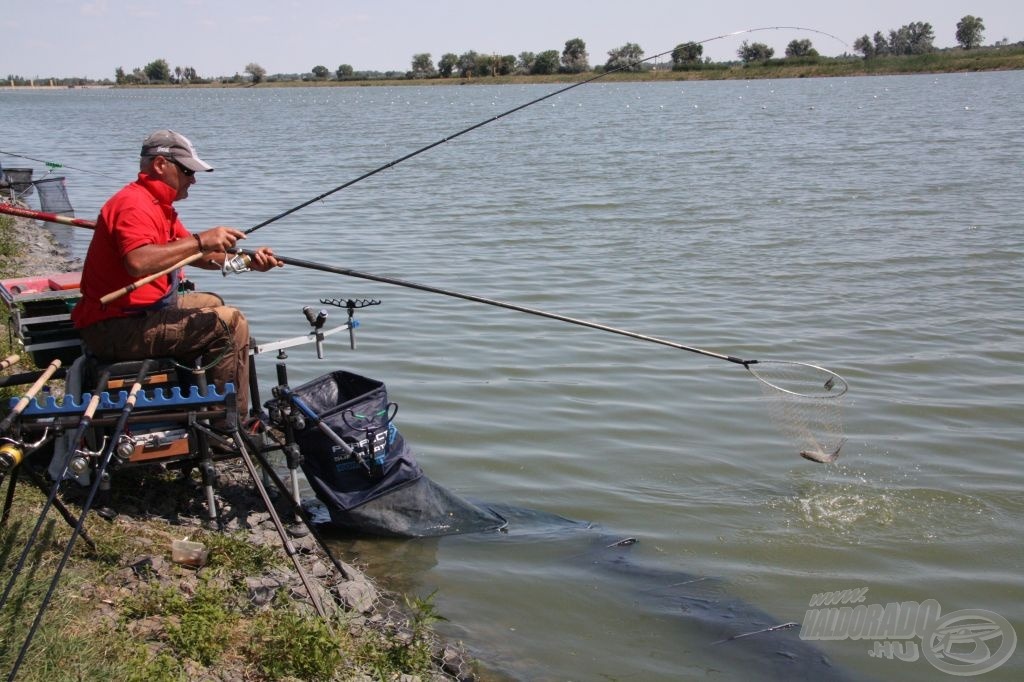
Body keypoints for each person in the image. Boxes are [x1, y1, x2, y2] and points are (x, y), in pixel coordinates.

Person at [71, 129, 282, 419]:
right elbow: (138, 261)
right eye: (187, 171)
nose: (193, 180)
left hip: (138, 314)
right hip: (115, 327)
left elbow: (200, 256)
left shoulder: (157, 205)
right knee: (232, 323)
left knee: (213, 302)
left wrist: (248, 262)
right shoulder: (134, 205)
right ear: (160, 165)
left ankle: (192, 395)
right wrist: (200, 240)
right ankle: (228, 425)